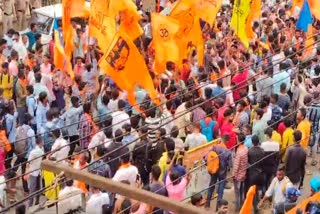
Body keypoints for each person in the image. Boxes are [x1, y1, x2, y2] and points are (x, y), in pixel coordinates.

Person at [205, 134, 232, 210]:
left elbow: (207, 157)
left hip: (214, 171)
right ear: (227, 141)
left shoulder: (214, 147)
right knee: (220, 191)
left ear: (221, 139)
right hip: (222, 173)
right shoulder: (228, 152)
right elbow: (230, 165)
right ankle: (218, 207)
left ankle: (207, 204)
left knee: (211, 187)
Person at [246, 135, 264, 214]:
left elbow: (248, 162)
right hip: (260, 173)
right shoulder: (262, 150)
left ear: (252, 142)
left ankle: (255, 206)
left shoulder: (249, 151)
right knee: (259, 189)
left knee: (253, 191)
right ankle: (258, 205)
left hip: (252, 173)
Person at [26, 136, 44, 207]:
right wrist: (27, 172)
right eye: (42, 142)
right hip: (33, 171)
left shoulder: (39, 150)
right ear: (40, 143)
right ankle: (31, 203)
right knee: (33, 188)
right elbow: (28, 163)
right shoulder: (34, 152)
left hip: (37, 171)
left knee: (36, 187)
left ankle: (35, 202)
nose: (43, 143)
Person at [261, 127, 280, 192]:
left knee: (265, 181)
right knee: (270, 181)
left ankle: (264, 193)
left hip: (265, 167)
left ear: (266, 135)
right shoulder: (276, 144)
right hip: (273, 167)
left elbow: (262, 158)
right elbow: (277, 157)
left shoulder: (263, 144)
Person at [233, 133, 248, 212]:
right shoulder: (246, 148)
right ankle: (242, 206)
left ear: (238, 140)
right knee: (242, 192)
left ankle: (237, 209)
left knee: (237, 193)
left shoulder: (239, 152)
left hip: (238, 175)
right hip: (244, 173)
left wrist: (233, 175)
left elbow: (236, 166)